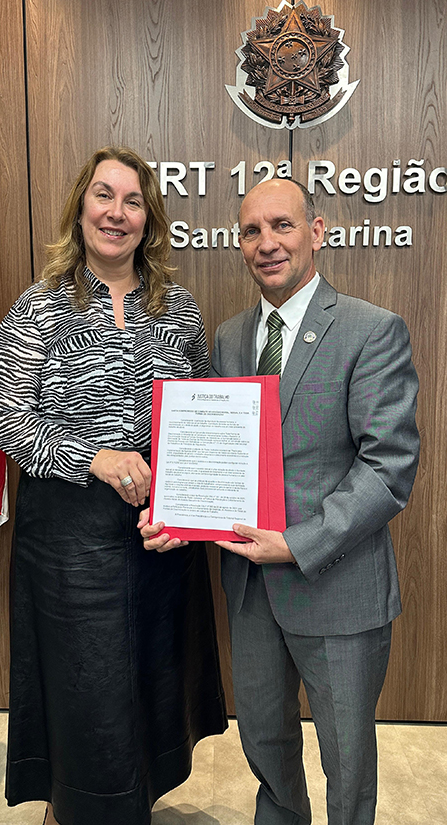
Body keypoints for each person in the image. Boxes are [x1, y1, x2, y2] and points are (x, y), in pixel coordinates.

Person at [141, 178, 420, 825]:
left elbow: (389, 466)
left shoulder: (371, 329)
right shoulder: (232, 336)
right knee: (264, 740)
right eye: (251, 230)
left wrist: (298, 541)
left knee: (347, 759)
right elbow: (215, 449)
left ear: (316, 232)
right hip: (248, 588)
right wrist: (179, 509)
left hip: (336, 586)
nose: (267, 243)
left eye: (282, 225)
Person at [0, 146, 226, 825]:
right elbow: (1, 414)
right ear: (80, 208)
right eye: (103, 196)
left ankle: (134, 802)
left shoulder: (179, 308)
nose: (116, 213)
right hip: (66, 537)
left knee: (151, 678)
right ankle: (69, 809)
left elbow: (203, 411)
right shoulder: (41, 307)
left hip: (159, 533)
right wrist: (95, 457)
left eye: (132, 201)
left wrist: (185, 501)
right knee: (83, 686)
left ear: (149, 219)